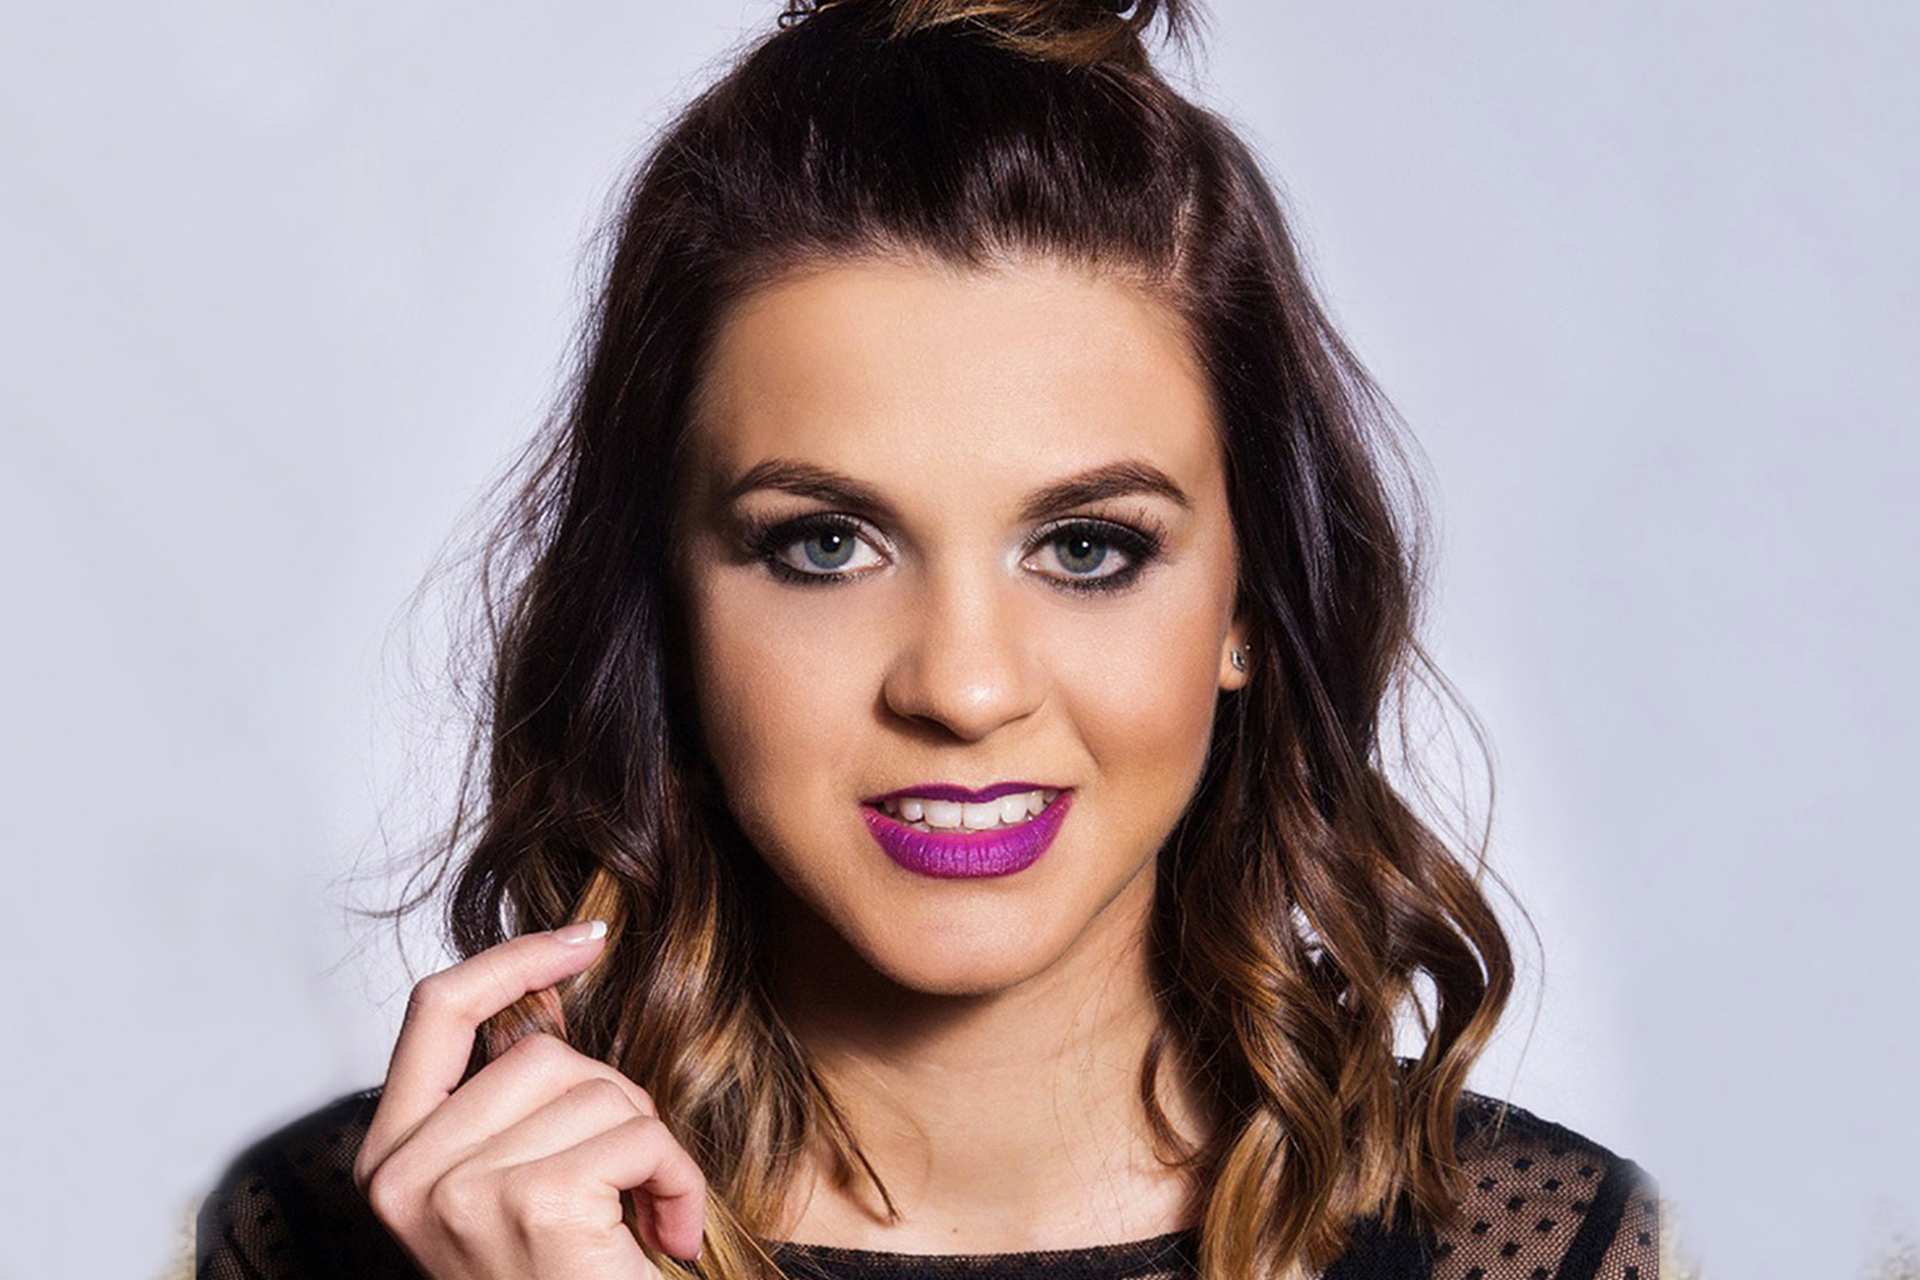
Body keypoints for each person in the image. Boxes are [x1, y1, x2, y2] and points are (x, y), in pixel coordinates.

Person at [195, 1, 1663, 1277]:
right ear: (667, 603)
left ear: (1249, 610)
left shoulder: (1554, 1249)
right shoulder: (305, 1237)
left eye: (1087, 550)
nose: (963, 687)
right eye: (823, 545)